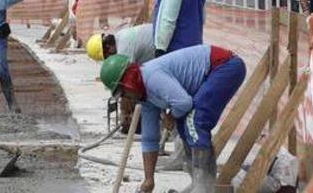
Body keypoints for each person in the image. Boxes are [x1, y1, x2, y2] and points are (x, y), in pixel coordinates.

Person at [100, 45, 246, 193]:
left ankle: (204, 186)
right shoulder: (145, 97)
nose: (125, 98)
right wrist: (149, 179)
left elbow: (183, 103)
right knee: (184, 124)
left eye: (123, 93)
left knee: (194, 122)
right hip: (214, 72)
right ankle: (197, 182)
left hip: (225, 66)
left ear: (128, 81)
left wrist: (171, 116)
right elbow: (150, 138)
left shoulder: (151, 77)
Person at [86, 24, 156, 65]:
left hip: (164, 50)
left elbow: (127, 79)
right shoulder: (120, 34)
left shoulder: (123, 51)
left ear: (107, 47)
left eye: (106, 57)